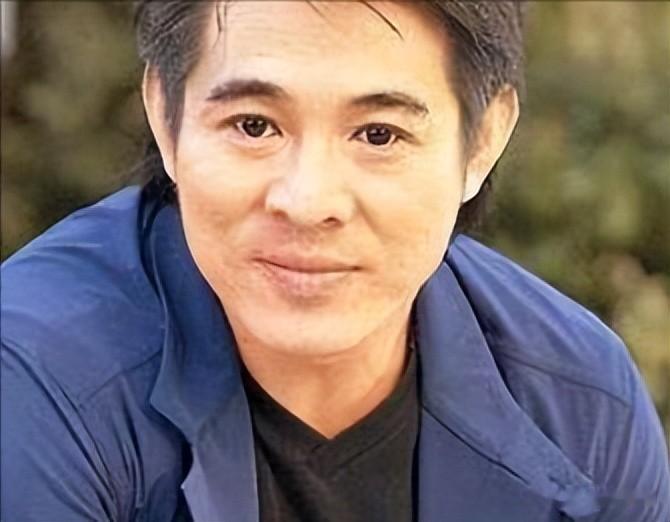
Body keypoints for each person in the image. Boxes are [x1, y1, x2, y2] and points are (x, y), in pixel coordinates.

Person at [1, 1, 668, 521]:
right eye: (254, 125)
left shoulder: (579, 403)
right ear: (165, 117)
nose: (308, 201)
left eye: (379, 135)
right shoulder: (39, 380)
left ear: (483, 143)